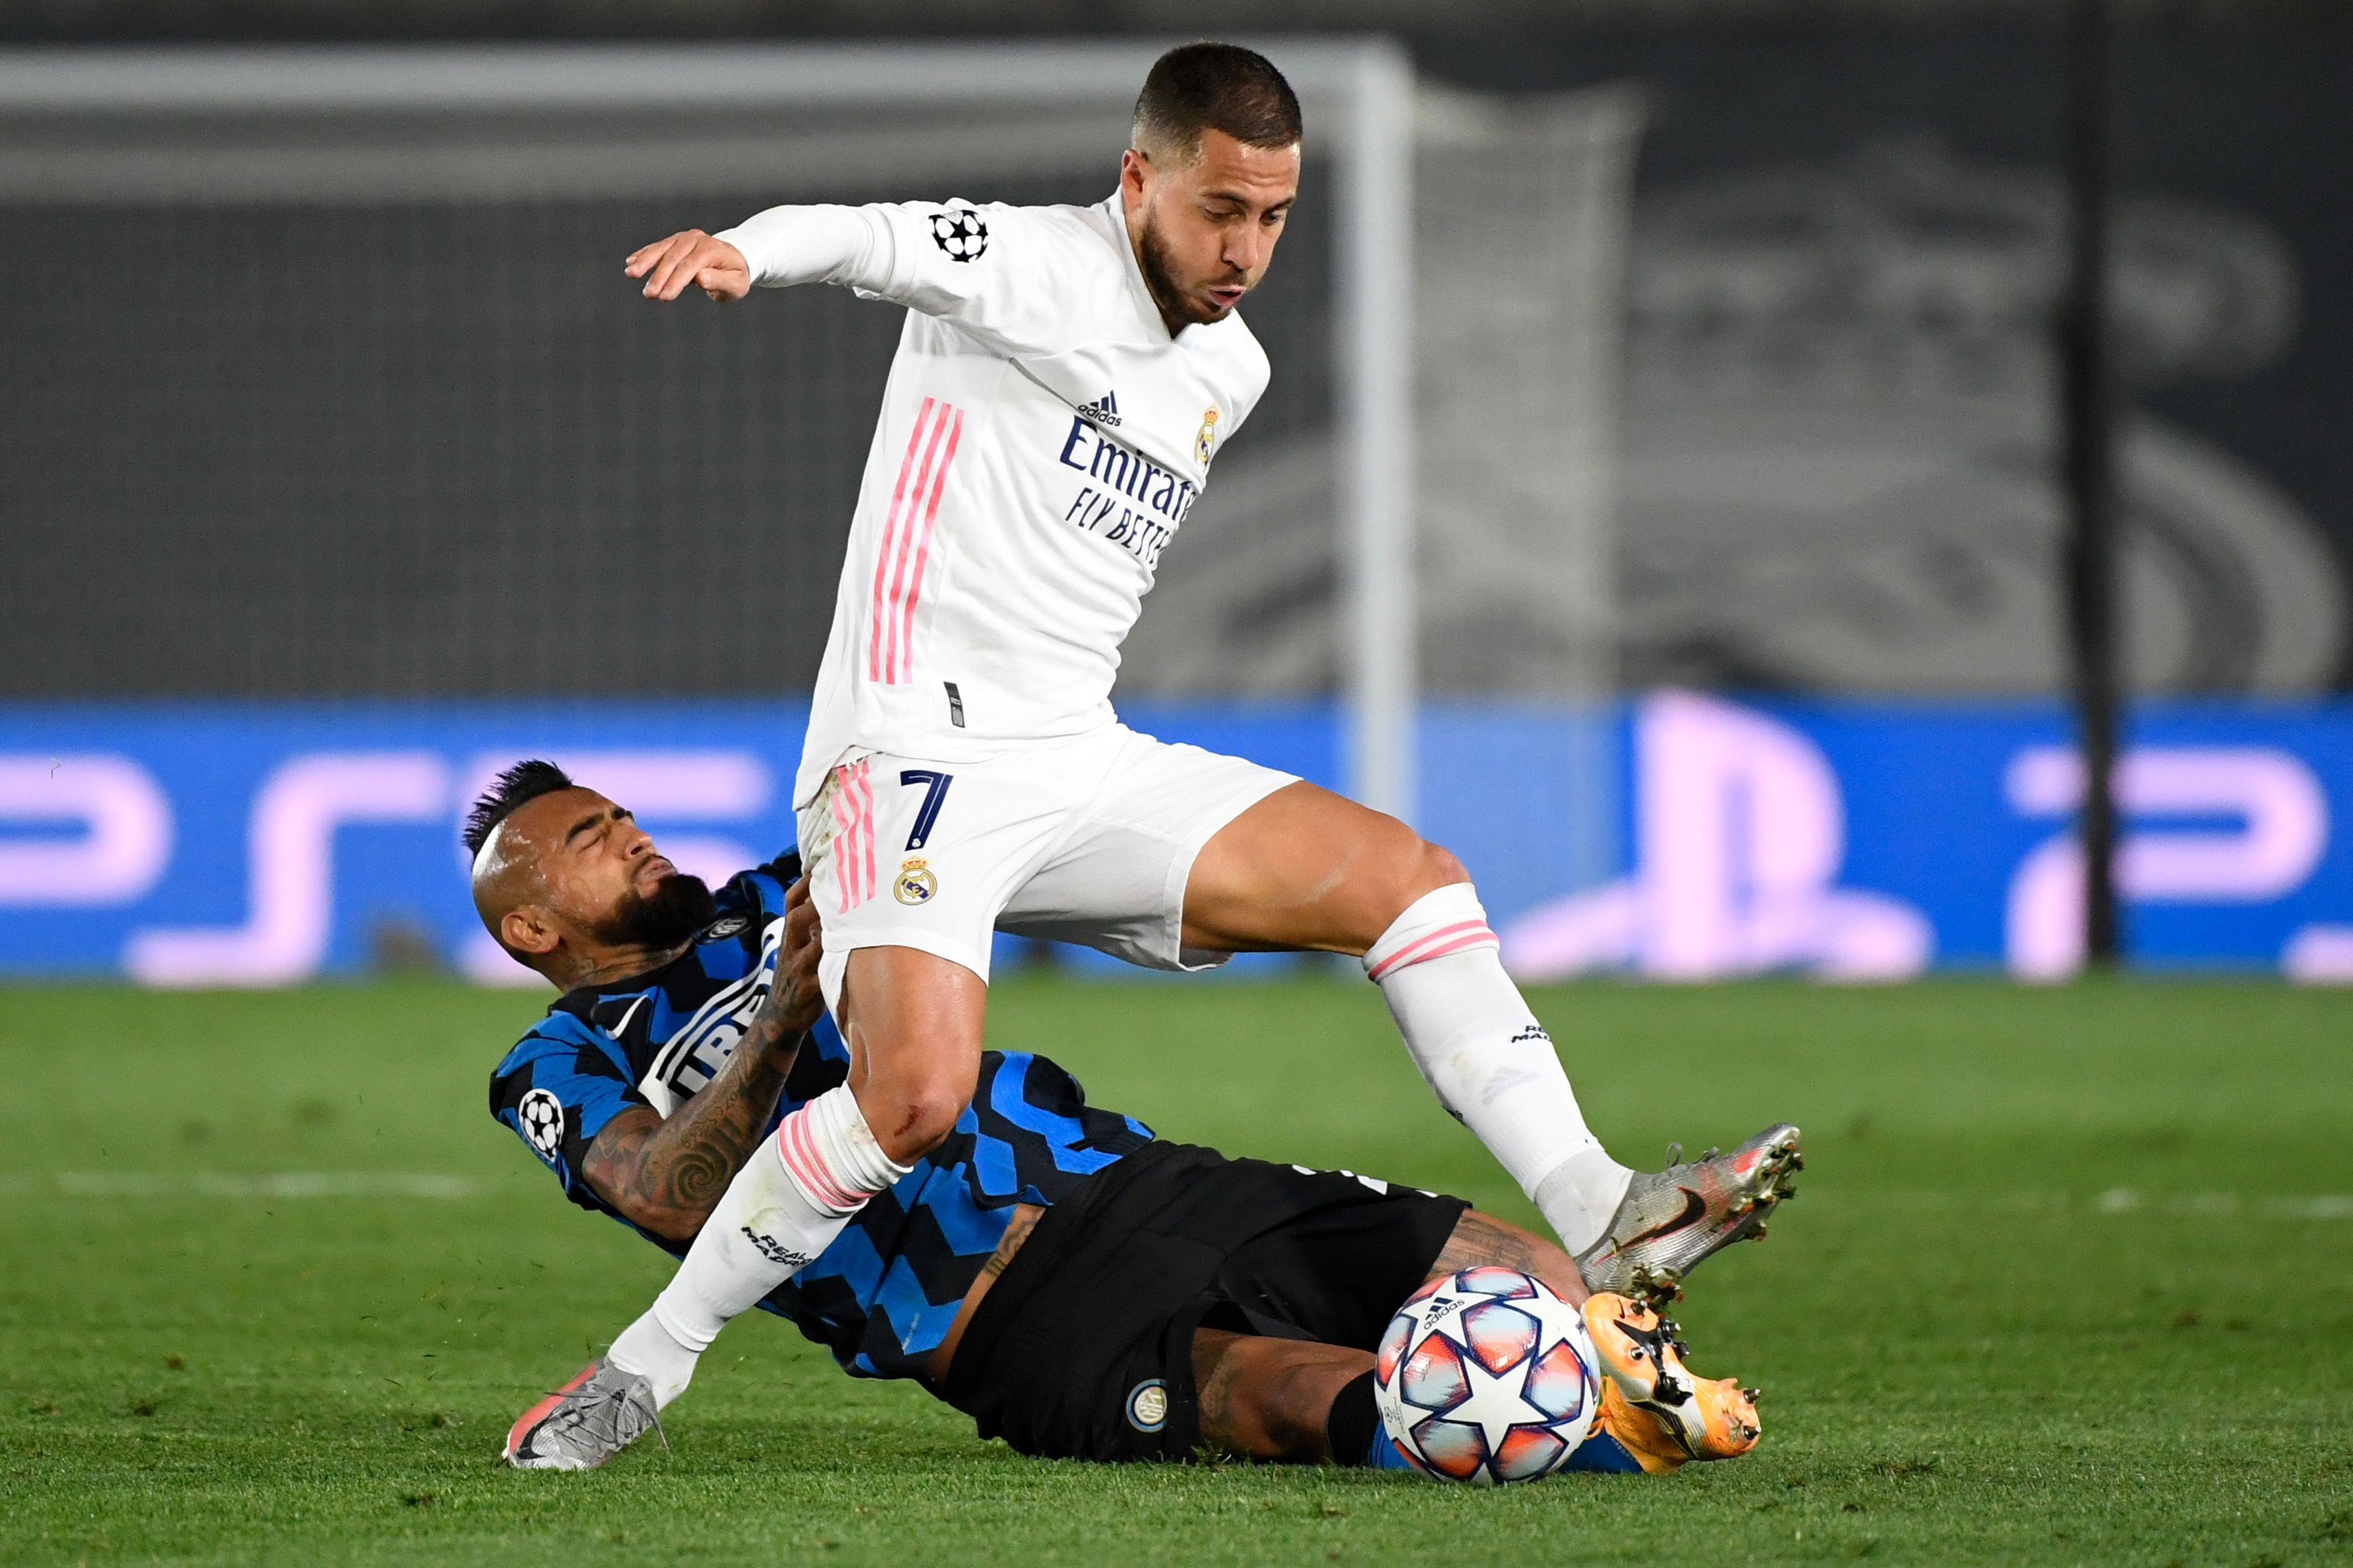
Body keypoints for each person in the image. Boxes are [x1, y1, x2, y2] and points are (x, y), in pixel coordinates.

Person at [576, 40, 1801, 1448]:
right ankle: (645, 1367)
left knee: (1407, 880)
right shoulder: (1033, 265)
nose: (1246, 249)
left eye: (1274, 216)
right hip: (910, 756)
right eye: (1220, 210)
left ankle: (1600, 1204)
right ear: (1136, 176)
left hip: (1074, 758)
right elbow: (869, 236)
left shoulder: (1234, 367)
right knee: (913, 1099)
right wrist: (744, 253)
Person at [471, 761, 1763, 1474]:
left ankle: (1622, 1351)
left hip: (1130, 1178)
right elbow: (670, 1196)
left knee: (1516, 1268)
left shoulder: (788, 886)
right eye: (592, 835)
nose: (633, 834)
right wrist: (781, 1019)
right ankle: (1611, 1439)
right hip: (1000, 1311)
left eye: (623, 812)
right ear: (532, 925)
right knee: (1300, 1399)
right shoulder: (561, 1057)